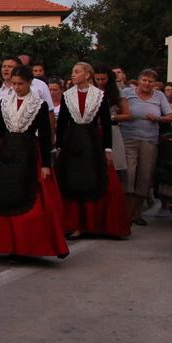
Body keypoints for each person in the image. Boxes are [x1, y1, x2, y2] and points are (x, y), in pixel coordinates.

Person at [0, 66, 69, 258]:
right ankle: (5, 244)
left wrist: (46, 164)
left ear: (30, 83)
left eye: (20, 84)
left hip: (29, 153)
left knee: (31, 199)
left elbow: (45, 136)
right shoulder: (5, 102)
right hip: (7, 154)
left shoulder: (38, 105)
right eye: (14, 84)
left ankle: (27, 245)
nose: (16, 87)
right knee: (4, 198)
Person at [56, 62, 129, 238]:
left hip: (92, 140)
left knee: (95, 179)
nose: (73, 75)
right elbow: (62, 124)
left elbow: (106, 123)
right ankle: (75, 224)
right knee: (73, 180)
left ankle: (96, 224)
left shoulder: (99, 96)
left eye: (77, 72)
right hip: (73, 141)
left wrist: (108, 149)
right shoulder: (68, 95)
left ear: (87, 75)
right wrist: (59, 146)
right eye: (72, 71)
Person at [120, 70, 172, 225]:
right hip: (128, 138)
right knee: (129, 174)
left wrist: (158, 118)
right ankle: (126, 214)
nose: (147, 83)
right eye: (144, 80)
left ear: (155, 83)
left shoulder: (159, 96)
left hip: (149, 140)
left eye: (150, 81)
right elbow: (118, 109)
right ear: (139, 80)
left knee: (145, 176)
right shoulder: (127, 92)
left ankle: (136, 214)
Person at [93, 64, 132, 177]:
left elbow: (127, 115)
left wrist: (109, 117)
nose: (100, 82)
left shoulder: (116, 91)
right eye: (97, 79)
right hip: (94, 130)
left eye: (103, 79)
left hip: (111, 129)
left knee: (113, 165)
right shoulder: (91, 90)